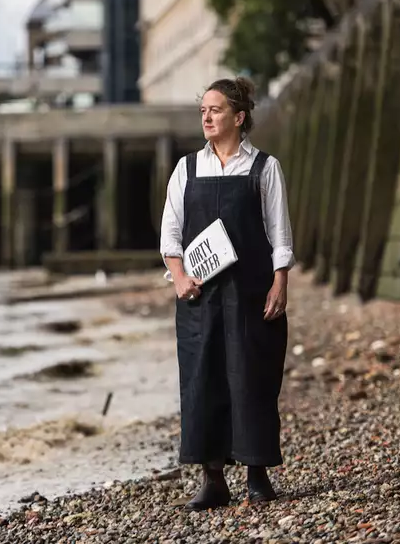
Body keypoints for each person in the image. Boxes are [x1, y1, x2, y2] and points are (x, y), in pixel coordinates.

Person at [159, 76, 295, 510]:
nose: (207, 117)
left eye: (215, 110)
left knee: (252, 379)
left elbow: (281, 236)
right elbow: (170, 237)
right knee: (203, 383)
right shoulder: (186, 169)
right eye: (203, 111)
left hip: (251, 295)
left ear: (238, 117)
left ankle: (257, 476)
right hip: (200, 301)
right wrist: (179, 278)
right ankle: (213, 479)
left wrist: (280, 281)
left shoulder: (264, 168)